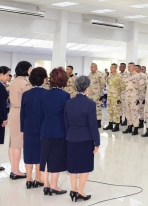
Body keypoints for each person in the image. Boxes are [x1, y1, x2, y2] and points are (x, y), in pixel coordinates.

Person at [65, 75, 100, 202]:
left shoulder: (69, 102)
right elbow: (93, 125)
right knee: (85, 166)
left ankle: (73, 190)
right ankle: (80, 191)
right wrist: (97, 142)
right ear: (87, 88)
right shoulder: (90, 104)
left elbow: (66, 122)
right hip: (86, 138)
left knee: (73, 165)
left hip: (71, 137)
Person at [40, 67, 70, 196]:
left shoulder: (44, 94)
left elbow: (41, 113)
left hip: (45, 128)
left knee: (44, 157)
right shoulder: (65, 95)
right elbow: (66, 115)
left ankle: (45, 185)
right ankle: (54, 185)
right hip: (59, 130)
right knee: (56, 158)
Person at [21, 67, 48, 189]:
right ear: (43, 79)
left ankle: (28, 179)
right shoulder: (46, 94)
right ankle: (38, 177)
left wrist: (22, 129)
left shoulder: (26, 94)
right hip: (42, 128)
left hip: (28, 127)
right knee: (40, 152)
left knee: (28, 151)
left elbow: (23, 113)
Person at [8, 61, 32, 180]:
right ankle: (16, 170)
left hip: (13, 111)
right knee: (17, 143)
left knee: (12, 142)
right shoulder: (25, 83)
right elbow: (29, 100)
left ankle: (13, 169)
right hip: (20, 112)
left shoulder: (14, 81)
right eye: (30, 69)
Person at [103, 63, 125, 132]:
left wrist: (117, 92)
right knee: (110, 110)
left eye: (112, 67)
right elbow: (107, 83)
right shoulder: (110, 76)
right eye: (110, 67)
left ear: (116, 68)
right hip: (109, 96)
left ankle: (117, 125)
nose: (111, 68)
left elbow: (123, 86)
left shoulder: (119, 76)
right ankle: (110, 124)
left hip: (116, 97)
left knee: (116, 111)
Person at [123, 63, 142, 135]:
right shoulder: (127, 76)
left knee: (134, 113)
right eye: (128, 66)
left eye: (130, 66)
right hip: (127, 97)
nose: (128, 68)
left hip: (134, 97)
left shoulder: (137, 75)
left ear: (134, 67)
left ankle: (136, 128)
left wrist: (136, 93)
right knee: (127, 113)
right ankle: (129, 126)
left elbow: (142, 86)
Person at [88, 63, 106, 128]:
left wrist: (100, 93)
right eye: (91, 67)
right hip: (90, 94)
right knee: (91, 108)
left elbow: (103, 84)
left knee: (97, 107)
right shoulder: (89, 74)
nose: (91, 68)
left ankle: (98, 121)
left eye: (92, 67)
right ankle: (92, 121)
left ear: (96, 68)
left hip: (97, 94)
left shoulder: (99, 74)